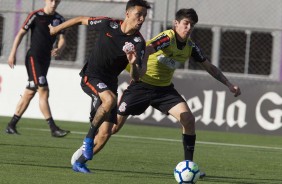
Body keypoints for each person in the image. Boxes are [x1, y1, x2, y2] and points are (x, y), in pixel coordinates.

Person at [71, 8, 241, 177]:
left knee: (188, 119)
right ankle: (81, 158)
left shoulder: (190, 47)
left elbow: (209, 67)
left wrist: (229, 84)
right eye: (186, 24)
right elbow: (148, 48)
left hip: (164, 90)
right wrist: (140, 67)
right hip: (140, 86)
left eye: (192, 25)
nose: (189, 28)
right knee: (110, 130)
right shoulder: (168, 37)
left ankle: (189, 165)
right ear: (176, 24)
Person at [49, 0, 151, 173]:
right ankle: (88, 139)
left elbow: (136, 77)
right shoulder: (108, 24)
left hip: (110, 82)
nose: (141, 19)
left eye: (144, 16)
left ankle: (79, 163)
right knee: (109, 99)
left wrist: (133, 64)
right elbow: (81, 19)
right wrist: (55, 30)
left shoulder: (138, 42)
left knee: (106, 132)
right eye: (138, 15)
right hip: (91, 76)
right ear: (127, 14)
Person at [5, 0, 70, 137]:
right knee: (44, 89)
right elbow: (20, 34)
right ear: (46, 0)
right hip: (34, 58)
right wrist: (12, 53)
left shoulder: (59, 19)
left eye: (56, 1)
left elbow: (62, 38)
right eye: (51, 0)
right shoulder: (35, 15)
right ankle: (53, 128)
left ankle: (11, 125)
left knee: (30, 92)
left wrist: (60, 48)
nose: (53, 3)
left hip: (45, 60)